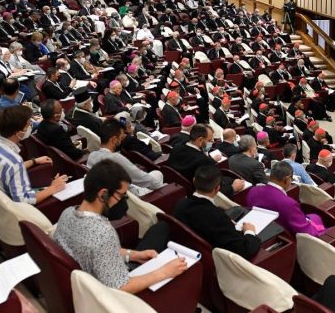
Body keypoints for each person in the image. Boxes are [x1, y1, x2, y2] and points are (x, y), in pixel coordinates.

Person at [53, 160, 187, 292]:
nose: (123, 201)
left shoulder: (67, 212)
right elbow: (120, 287)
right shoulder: (103, 233)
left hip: (90, 279)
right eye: (122, 195)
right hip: (112, 292)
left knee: (161, 228)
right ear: (103, 194)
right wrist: (164, 272)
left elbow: (99, 252)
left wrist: (133, 255)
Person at [0, 105, 68, 205]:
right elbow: (24, 200)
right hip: (12, 206)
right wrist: (53, 187)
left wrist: (34, 161)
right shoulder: (14, 162)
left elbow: (8, 169)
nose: (30, 128)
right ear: (18, 133)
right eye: (28, 126)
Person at [174, 165, 261, 259]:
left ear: (194, 181)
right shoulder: (216, 217)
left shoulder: (180, 204)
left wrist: (225, 223)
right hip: (218, 258)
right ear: (217, 188)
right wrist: (249, 231)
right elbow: (244, 251)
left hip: (191, 252)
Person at [245, 161, 326, 237]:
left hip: (262, 230)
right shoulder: (289, 203)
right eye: (291, 178)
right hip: (286, 235)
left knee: (315, 217)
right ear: (287, 179)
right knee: (317, 220)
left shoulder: (253, 190)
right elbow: (306, 232)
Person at [167, 124, 244, 198]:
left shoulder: (176, 147)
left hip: (178, 188)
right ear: (200, 140)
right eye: (210, 140)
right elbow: (211, 191)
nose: (213, 142)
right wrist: (232, 188)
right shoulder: (203, 161)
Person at [86, 120, 163, 192]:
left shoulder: (91, 156)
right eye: (121, 137)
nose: (122, 140)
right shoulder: (116, 158)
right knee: (158, 174)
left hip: (113, 195)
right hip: (135, 196)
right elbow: (151, 183)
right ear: (114, 139)